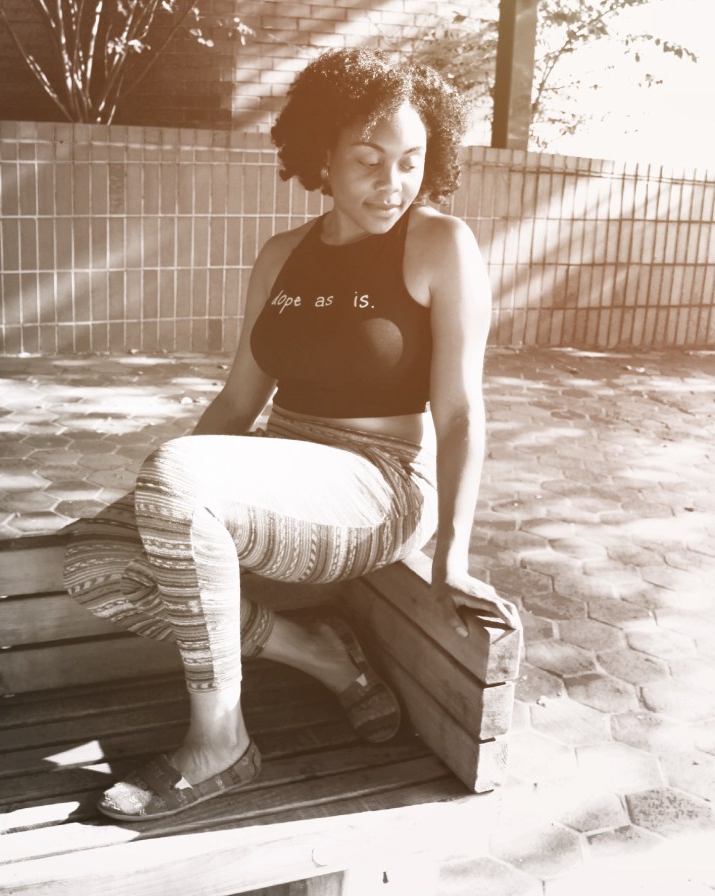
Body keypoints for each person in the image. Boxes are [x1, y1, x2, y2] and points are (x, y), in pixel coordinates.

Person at [62, 47, 521, 822]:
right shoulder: (281, 256)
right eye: (368, 160)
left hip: (380, 485)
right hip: (283, 466)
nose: (392, 182)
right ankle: (320, 654)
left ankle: (219, 742)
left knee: (175, 481)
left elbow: (461, 412)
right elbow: (237, 401)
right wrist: (162, 498)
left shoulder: (440, 245)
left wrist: (453, 555)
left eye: (411, 161)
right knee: (91, 564)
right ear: (323, 156)